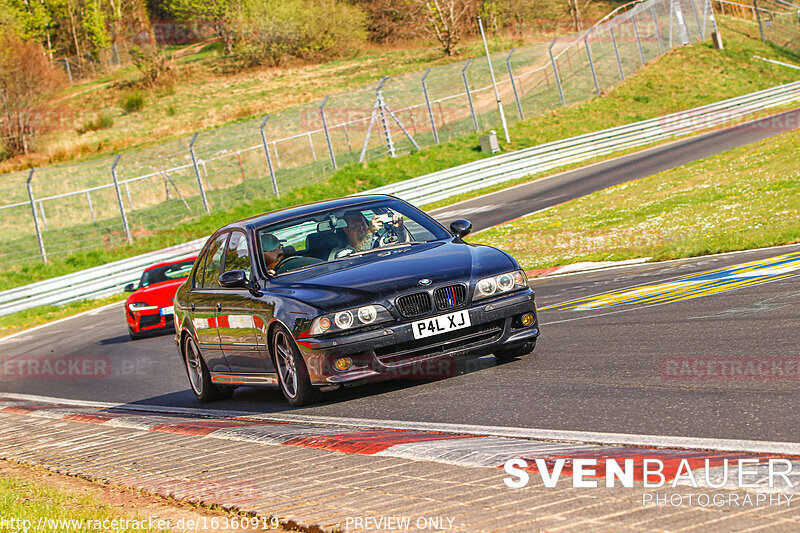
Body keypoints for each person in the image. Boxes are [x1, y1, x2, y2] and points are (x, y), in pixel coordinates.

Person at [333, 210, 408, 259]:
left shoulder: (379, 241)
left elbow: (404, 247)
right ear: (346, 230)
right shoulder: (342, 253)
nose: (361, 228)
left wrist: (400, 229)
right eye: (356, 226)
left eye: (363, 224)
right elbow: (356, 258)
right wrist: (370, 232)